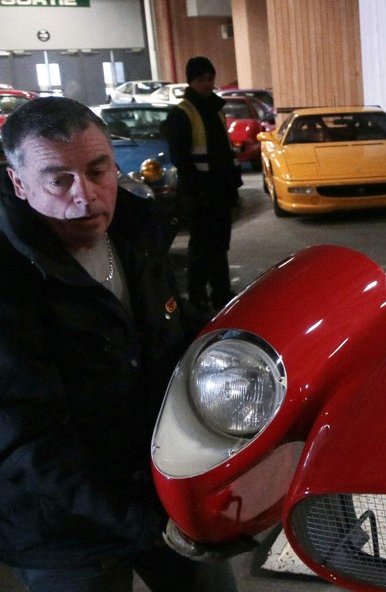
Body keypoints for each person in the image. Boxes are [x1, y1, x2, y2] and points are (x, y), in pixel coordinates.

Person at [0, 97, 245, 590]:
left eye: (98, 170)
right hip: (63, 529)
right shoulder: (8, 281)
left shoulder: (136, 232)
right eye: (59, 179)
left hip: (166, 487)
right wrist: (147, 521)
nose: (86, 196)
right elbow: (26, 441)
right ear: (19, 183)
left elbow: (168, 328)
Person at [163, 56, 242, 311]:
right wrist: (197, 191)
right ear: (191, 81)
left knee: (219, 244)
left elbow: (224, 152)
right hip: (199, 192)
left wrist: (232, 186)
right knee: (201, 245)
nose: (207, 84)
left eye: (210, 79)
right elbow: (182, 159)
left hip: (219, 190)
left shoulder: (215, 109)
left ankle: (221, 291)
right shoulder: (182, 113)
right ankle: (197, 294)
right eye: (201, 80)